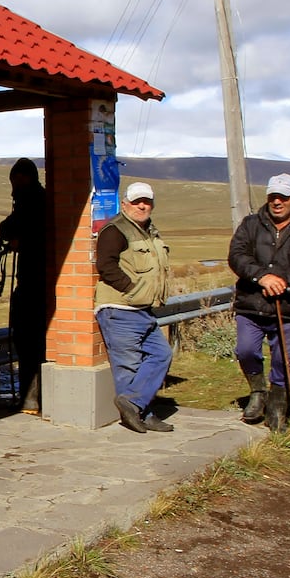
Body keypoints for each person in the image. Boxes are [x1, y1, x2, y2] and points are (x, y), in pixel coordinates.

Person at [228, 173, 290, 431]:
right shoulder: (250, 224)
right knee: (246, 350)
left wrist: (284, 281)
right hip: (251, 304)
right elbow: (237, 256)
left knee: (284, 361)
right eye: (273, 196)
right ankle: (258, 392)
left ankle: (277, 410)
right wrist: (261, 276)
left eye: (283, 197)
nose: (277, 202)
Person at [95, 182, 174, 433]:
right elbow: (106, 265)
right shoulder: (115, 230)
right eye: (137, 201)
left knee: (162, 354)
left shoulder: (148, 231)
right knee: (128, 366)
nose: (143, 206)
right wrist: (132, 289)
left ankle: (137, 406)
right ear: (125, 203)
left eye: (147, 201)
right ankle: (139, 412)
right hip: (120, 308)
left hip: (142, 309)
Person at [0, 157, 48, 412]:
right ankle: (34, 396)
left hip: (33, 280)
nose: (14, 186)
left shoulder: (30, 200)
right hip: (38, 279)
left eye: (16, 180)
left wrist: (15, 235)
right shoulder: (39, 198)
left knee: (28, 338)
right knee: (33, 338)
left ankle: (31, 397)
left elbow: (8, 227)